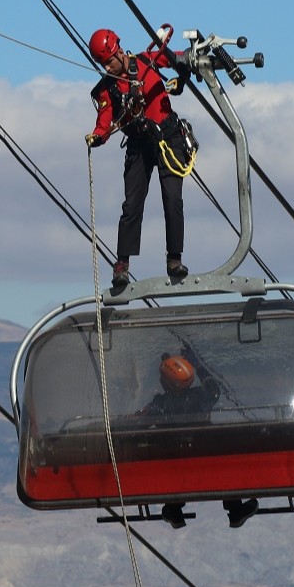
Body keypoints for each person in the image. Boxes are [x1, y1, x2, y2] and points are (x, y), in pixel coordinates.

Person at [84, 27, 194, 288]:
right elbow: (105, 121)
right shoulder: (107, 90)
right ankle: (122, 264)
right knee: (132, 205)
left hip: (168, 138)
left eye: (109, 60)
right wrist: (97, 136)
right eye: (103, 63)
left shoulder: (147, 60)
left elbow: (180, 59)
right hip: (138, 145)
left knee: (172, 199)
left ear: (119, 51)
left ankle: (174, 260)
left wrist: (184, 72)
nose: (108, 66)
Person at [138, 353, 259, 529]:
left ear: (165, 383)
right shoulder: (200, 396)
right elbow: (214, 390)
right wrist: (198, 365)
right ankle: (235, 509)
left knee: (172, 469)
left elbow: (141, 420)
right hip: (206, 457)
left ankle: (173, 509)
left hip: (176, 461)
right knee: (223, 467)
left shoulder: (161, 404)